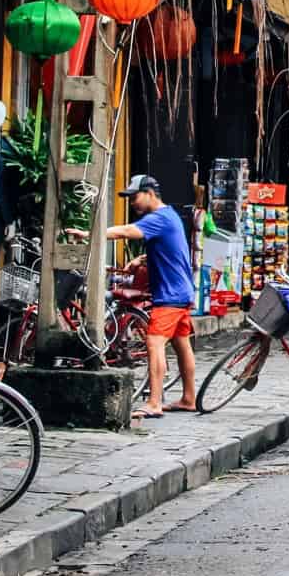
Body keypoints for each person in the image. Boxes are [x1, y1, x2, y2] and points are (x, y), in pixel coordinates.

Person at [100, 175, 199, 420]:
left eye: (135, 197)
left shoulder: (158, 218)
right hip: (182, 291)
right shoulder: (170, 216)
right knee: (181, 344)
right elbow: (170, 249)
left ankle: (154, 402)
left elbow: (127, 231)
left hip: (170, 295)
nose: (132, 202)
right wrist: (143, 259)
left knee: (154, 343)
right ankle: (188, 398)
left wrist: (91, 234)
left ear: (151, 193)